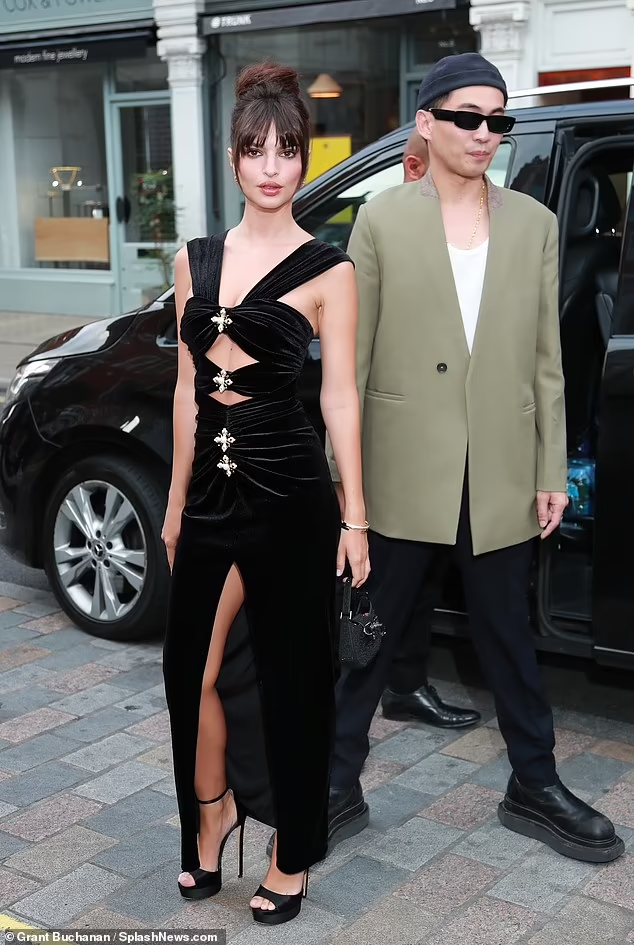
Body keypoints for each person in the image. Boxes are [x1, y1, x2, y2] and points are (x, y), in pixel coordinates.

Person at [326, 52, 624, 864]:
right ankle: (336, 781)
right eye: (468, 117)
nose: (485, 132)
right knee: (369, 633)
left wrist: (549, 468)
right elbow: (351, 359)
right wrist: (349, 489)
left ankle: (535, 782)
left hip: (498, 469)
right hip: (400, 466)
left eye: (498, 119)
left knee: (509, 637)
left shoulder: (533, 223)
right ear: (427, 122)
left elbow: (545, 359)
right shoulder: (383, 218)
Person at [162, 61, 369, 926]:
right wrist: (174, 503)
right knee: (190, 671)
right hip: (209, 496)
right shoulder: (194, 260)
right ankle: (212, 814)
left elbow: (340, 396)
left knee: (294, 679)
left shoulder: (330, 269)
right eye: (257, 149)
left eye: (288, 149)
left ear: (304, 158)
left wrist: (356, 516)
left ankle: (292, 853)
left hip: (292, 493)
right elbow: (187, 388)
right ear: (234, 158)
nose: (273, 166)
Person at [382, 128, 481, 731]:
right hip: (399, 444)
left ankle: (403, 683)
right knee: (392, 582)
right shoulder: (387, 231)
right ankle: (388, 688)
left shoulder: (480, 240)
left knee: (419, 578)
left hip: (461, 444)